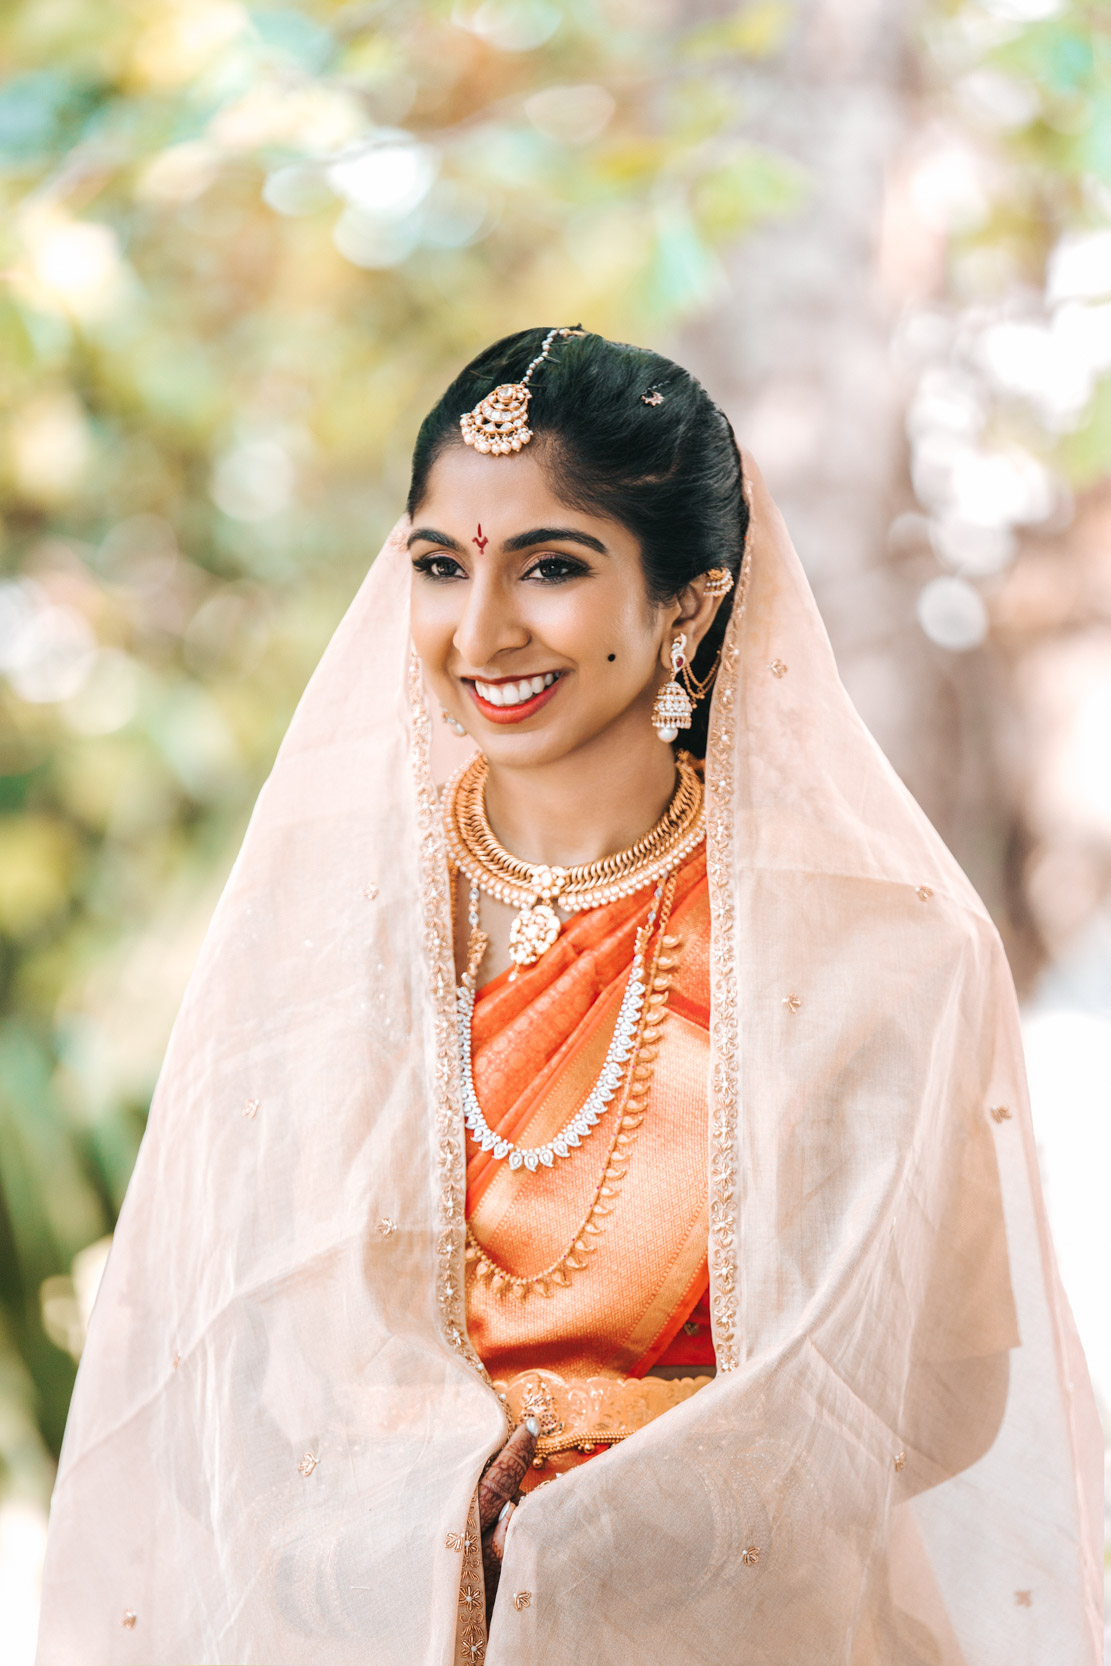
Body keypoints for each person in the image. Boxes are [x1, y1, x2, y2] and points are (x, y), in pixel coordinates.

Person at [35, 328, 1102, 1666]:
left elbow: (940, 1391)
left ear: (689, 603)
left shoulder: (874, 953)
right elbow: (230, 1364)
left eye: (550, 565)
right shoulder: (332, 936)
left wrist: (601, 1520)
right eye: (439, 565)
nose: (480, 633)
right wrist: (411, 1509)